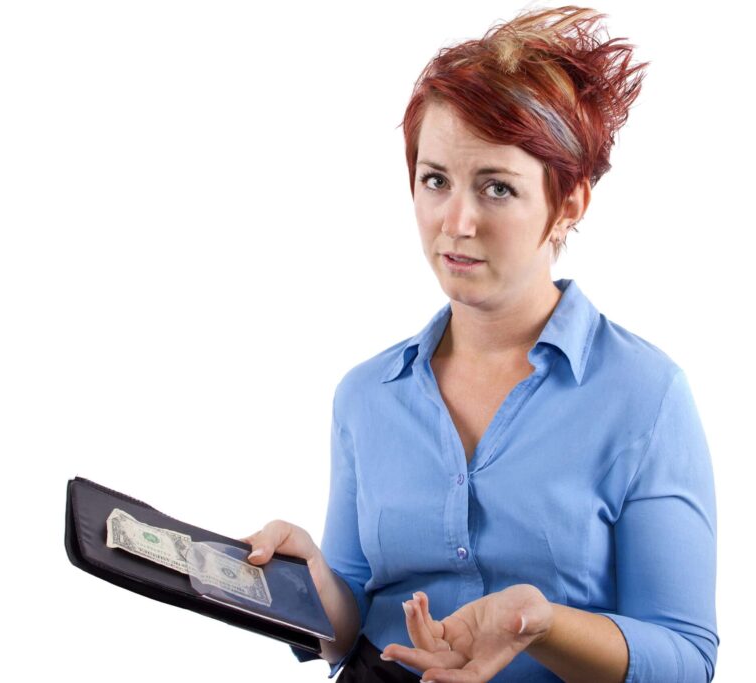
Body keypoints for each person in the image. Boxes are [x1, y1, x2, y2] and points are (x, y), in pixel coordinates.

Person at [241, 6, 718, 682]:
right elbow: (349, 628)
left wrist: (543, 623)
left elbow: (686, 658)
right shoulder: (366, 395)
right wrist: (310, 579)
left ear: (570, 203)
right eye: (435, 180)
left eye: (497, 187)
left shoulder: (645, 396)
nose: (457, 221)